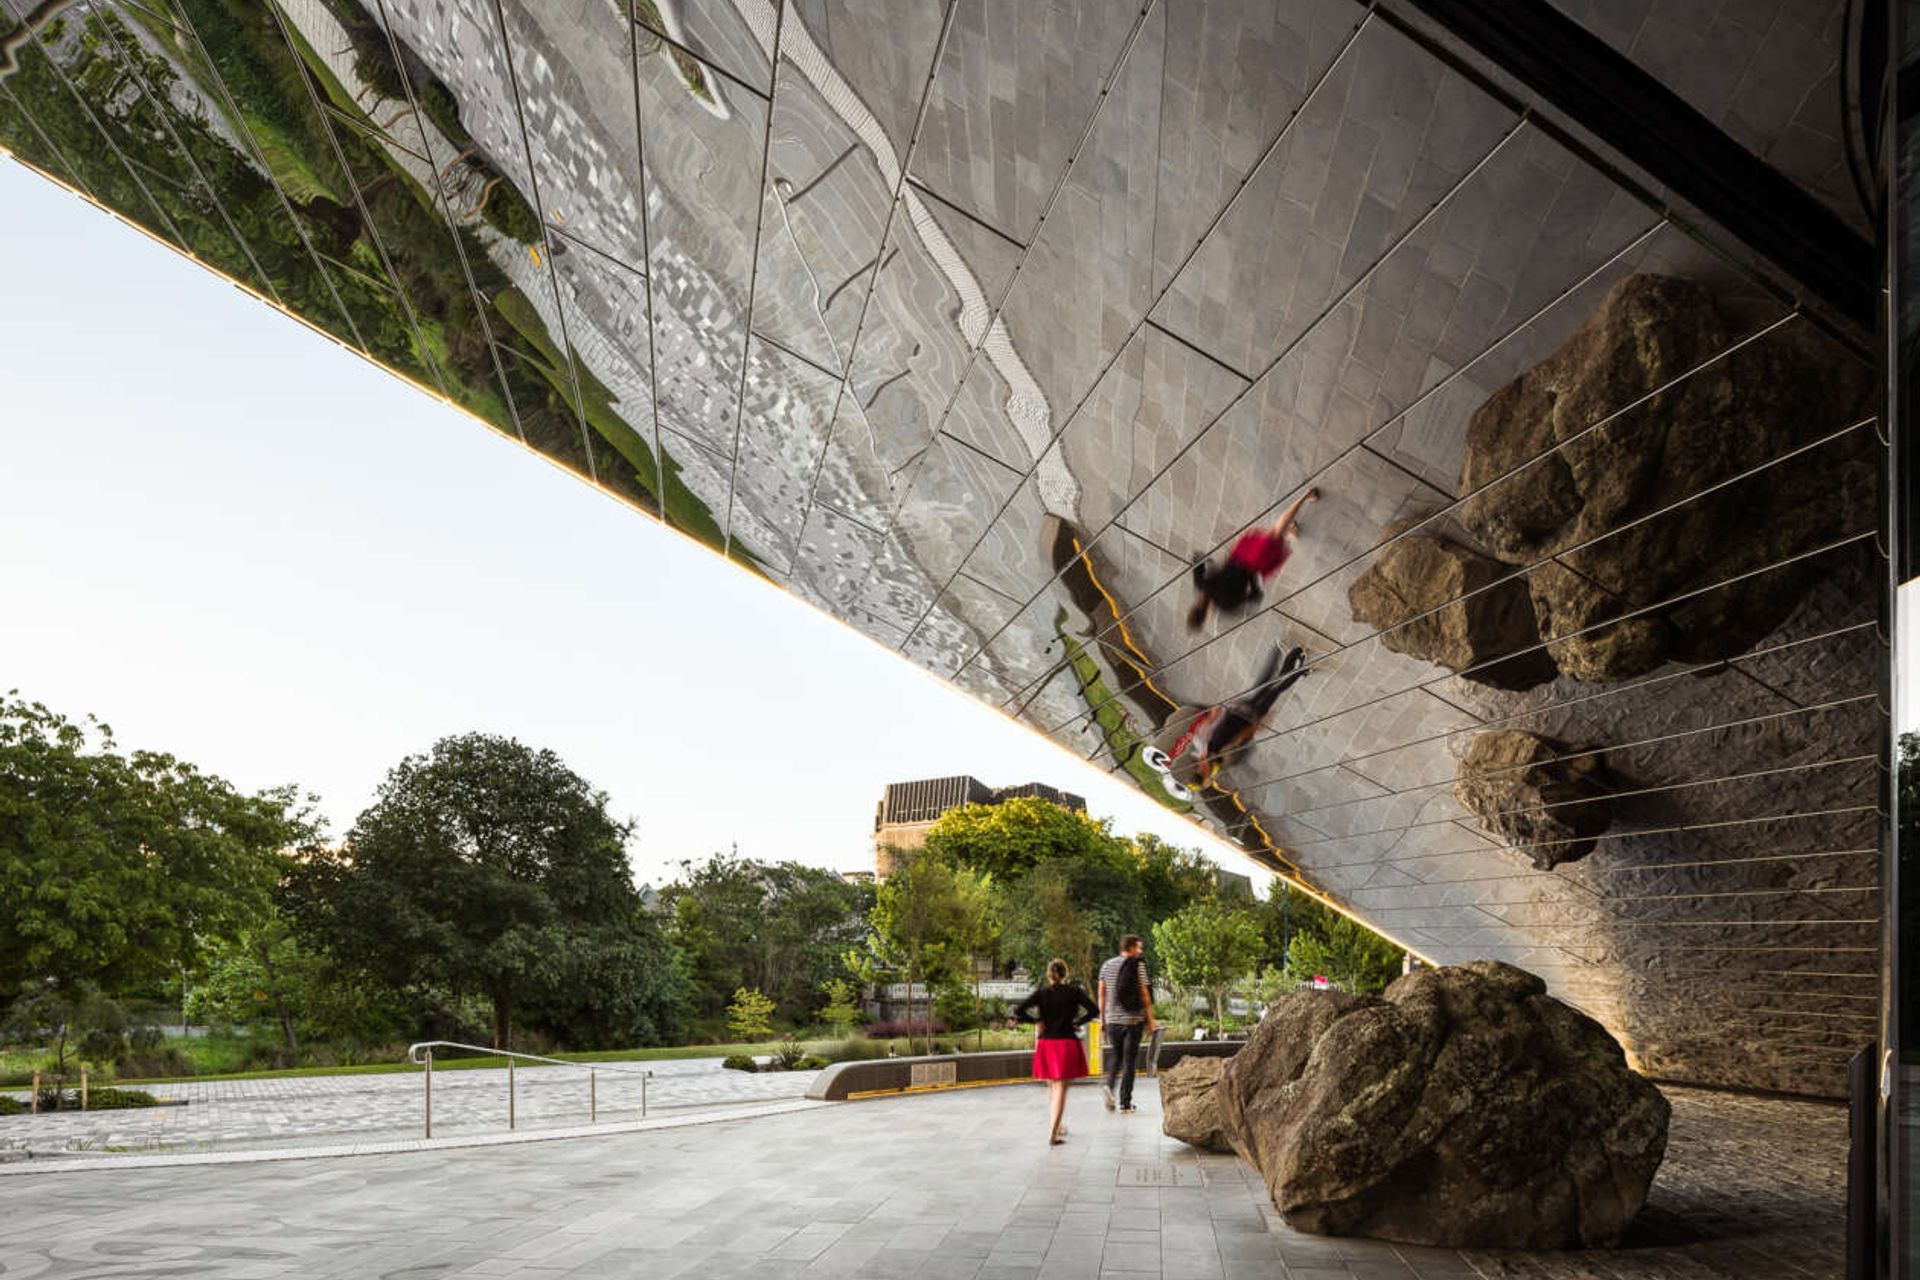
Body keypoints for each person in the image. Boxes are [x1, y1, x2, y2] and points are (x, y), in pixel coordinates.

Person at [1163, 645, 1311, 787]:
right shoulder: (1218, 759)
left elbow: (1212, 719)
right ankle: (1293, 661)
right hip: (1249, 718)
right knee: (1271, 688)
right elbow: (1240, 742)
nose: (1208, 773)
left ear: (1199, 767)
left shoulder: (1202, 743)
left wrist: (1220, 711)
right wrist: (1254, 728)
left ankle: (1295, 660)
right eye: (1206, 775)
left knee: (1272, 688)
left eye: (1204, 773)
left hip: (1240, 712)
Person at [1187, 488, 1320, 630]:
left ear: (1205, 618)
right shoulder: (1201, 585)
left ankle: (1305, 496)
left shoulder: (1224, 604)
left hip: (1254, 564)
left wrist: (1253, 580)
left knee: (1275, 533)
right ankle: (1289, 529)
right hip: (1238, 556)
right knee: (1275, 536)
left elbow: (1255, 596)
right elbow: (1198, 557)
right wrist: (1215, 565)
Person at [1014, 958, 1099, 1146]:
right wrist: (1077, 1022)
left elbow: (1019, 1011)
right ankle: (1053, 1133)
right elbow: (1094, 1010)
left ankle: (1058, 1126)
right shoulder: (1074, 992)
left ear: (1049, 975)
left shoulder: (1042, 993)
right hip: (1066, 1042)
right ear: (1065, 974)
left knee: (1052, 1086)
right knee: (1061, 1088)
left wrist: (1036, 1021)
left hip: (1046, 1043)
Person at [1096, 935, 1156, 1113]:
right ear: (1131, 948)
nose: (1140, 951)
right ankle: (1125, 1103)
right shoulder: (1138, 965)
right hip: (1133, 1020)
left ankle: (1109, 1086)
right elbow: (1144, 993)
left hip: (1113, 1020)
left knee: (1116, 1055)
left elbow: (1102, 995)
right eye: (1139, 947)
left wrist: (1102, 1020)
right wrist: (1150, 1020)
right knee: (1129, 1061)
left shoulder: (1106, 966)